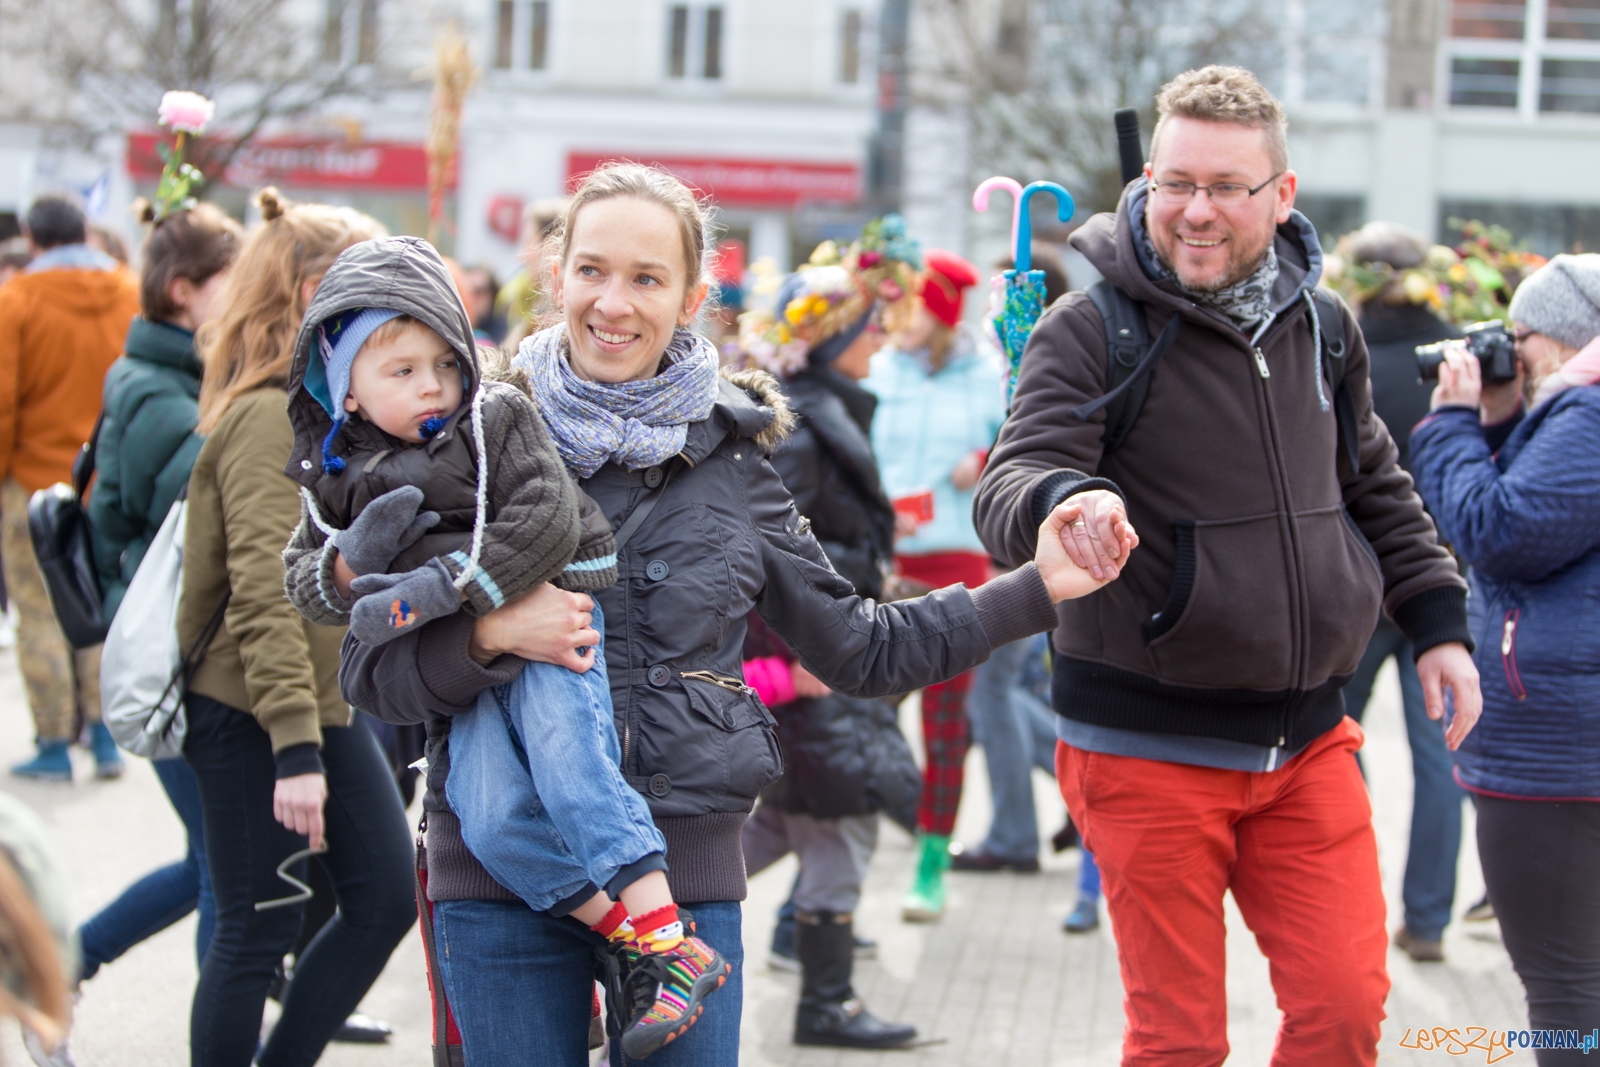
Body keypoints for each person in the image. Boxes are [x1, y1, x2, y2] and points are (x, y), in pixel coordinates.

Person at [336, 162, 1134, 1066]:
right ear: (554, 276)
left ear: (690, 296)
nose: (613, 302)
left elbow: (862, 649)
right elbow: (369, 672)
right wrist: (487, 635)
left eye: (646, 278)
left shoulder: (738, 461)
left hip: (686, 875)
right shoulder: (464, 442)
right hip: (500, 877)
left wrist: (1036, 586)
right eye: (593, 270)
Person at [974, 66, 1482, 1065]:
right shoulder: (1092, 326)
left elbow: (1374, 483)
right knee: (1179, 1041)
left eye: (1224, 186)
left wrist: (1437, 624)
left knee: (1342, 1011)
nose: (1193, 211)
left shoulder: (1322, 324)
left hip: (1308, 741)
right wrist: (1060, 502)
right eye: (1173, 183)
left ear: (1281, 196)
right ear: (1148, 180)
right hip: (1140, 742)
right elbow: (1015, 473)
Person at [282, 235, 729, 1058]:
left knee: (570, 763)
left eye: (442, 363)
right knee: (492, 818)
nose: (431, 385)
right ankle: (629, 937)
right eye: (401, 371)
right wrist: (349, 563)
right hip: (477, 675)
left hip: (560, 610)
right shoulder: (335, 475)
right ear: (343, 392)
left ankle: (668, 940)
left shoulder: (492, 417)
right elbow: (316, 597)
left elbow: (549, 521)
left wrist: (442, 591)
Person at [178, 188, 415, 1067]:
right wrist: (294, 753)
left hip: (318, 703)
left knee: (385, 897)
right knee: (252, 930)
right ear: (315, 287)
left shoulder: (318, 412)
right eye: (369, 286)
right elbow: (261, 595)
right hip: (253, 711)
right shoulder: (265, 417)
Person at [1410, 253, 1600, 1065]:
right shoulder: (1568, 415)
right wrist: (1496, 422)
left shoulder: (1588, 415)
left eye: (1517, 339)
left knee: (1564, 988)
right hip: (1568, 739)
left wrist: (1450, 423)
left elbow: (1502, 533)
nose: (1508, 353)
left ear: (1562, 339)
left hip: (1559, 754)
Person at [734, 261, 919, 1048]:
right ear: (835, 334)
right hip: (816, 660)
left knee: (788, 818)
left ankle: (643, 911)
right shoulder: (804, 424)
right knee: (839, 816)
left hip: (832, 646)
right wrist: (794, 656)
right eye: (870, 323)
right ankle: (827, 1004)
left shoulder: (827, 410)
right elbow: (765, 551)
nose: (884, 335)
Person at [75, 203, 241, 995]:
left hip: (177, 643)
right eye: (229, 282)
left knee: (212, 859)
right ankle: (62, 964)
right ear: (183, 291)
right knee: (219, 865)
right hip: (163, 650)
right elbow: (214, 487)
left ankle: (63, 963)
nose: (244, 297)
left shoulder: (173, 373)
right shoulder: (153, 387)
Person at [1332, 221, 1470, 963]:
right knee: (1440, 755)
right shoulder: (1461, 359)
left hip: (1355, 583)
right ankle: (1426, 921)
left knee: (1331, 743)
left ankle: (1356, 898)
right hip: (1440, 583)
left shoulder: (1334, 355)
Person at [864, 244, 1006, 922]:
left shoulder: (988, 375)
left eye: (914, 303)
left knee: (946, 723)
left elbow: (1022, 441)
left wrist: (986, 455)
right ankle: (858, 848)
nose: (900, 313)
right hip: (883, 563)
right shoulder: (882, 367)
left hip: (956, 563)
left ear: (942, 313)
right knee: (864, 712)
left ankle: (930, 862)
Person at [0, 194, 140, 781]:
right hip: (106, 480)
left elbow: (4, 401)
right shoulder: (129, 292)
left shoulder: (16, 301)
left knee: (39, 612)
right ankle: (105, 734)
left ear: (32, 239)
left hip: (33, 478)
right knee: (98, 604)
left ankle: (55, 741)